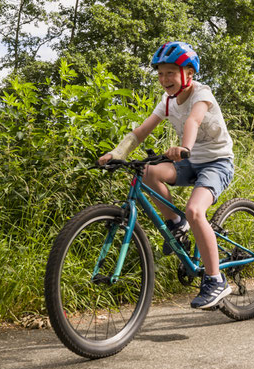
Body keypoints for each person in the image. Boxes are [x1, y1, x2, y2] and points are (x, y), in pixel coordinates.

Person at [98, 41, 236, 309]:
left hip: (217, 163)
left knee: (196, 211)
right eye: (160, 73)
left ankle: (215, 279)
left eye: (171, 72)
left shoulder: (201, 94)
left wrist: (184, 147)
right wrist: (118, 152)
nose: (164, 79)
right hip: (189, 161)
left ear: (189, 73)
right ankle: (176, 223)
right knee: (148, 171)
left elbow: (193, 121)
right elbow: (141, 131)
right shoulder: (167, 102)